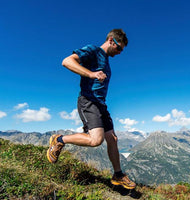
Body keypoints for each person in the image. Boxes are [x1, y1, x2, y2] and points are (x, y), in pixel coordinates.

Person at [47, 29, 136, 190]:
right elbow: (67, 61)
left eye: (122, 50)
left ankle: (118, 175)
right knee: (96, 140)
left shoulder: (106, 60)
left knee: (113, 139)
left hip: (101, 104)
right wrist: (91, 74)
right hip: (88, 101)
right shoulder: (93, 50)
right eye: (119, 48)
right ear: (111, 40)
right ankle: (59, 140)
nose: (120, 52)